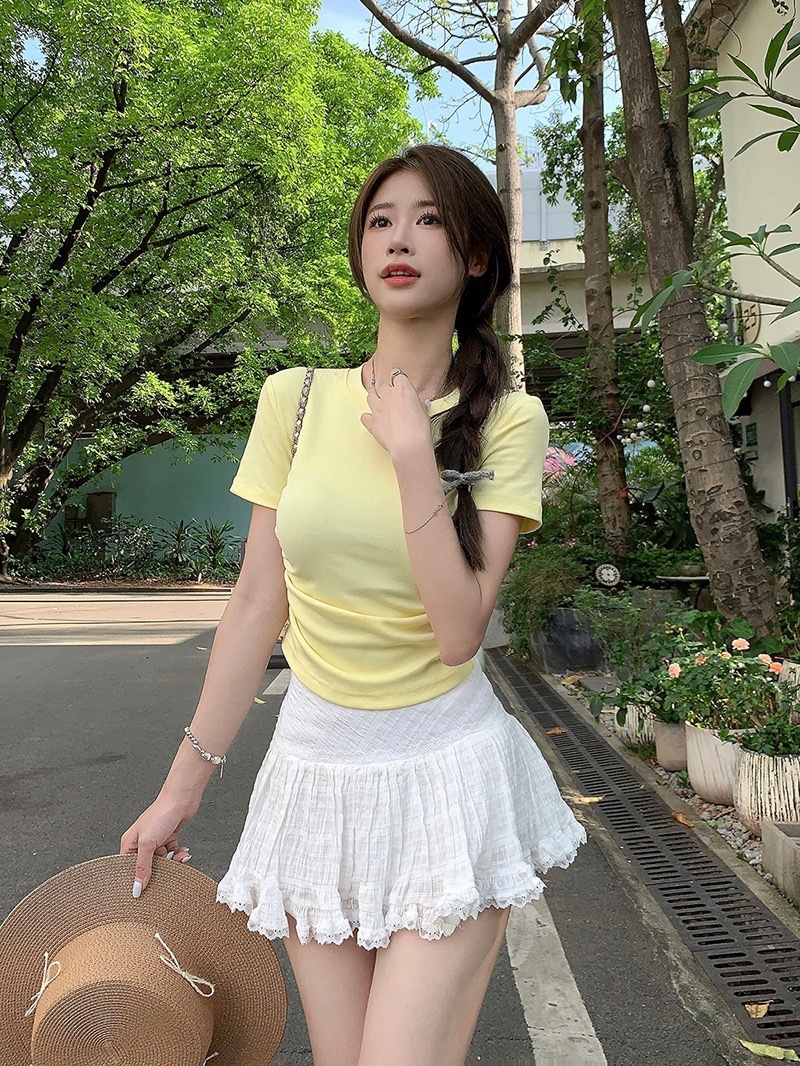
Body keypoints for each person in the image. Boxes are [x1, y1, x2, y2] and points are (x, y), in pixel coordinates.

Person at [120, 143, 587, 1066]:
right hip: (314, 779)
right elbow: (256, 603)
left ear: (476, 256)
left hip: (447, 778)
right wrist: (179, 793)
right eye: (381, 221)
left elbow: (459, 631)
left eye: (428, 220)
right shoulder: (293, 400)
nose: (398, 239)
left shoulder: (509, 420)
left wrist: (415, 453)